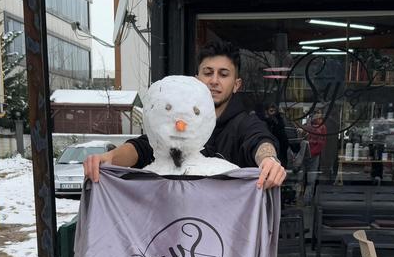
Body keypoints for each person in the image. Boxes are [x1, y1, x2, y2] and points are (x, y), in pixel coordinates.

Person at [83, 40, 286, 190]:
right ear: (196, 79)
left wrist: (269, 161)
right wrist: (110, 158)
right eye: (208, 73)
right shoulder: (177, 120)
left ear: (237, 84)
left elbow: (260, 141)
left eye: (224, 74)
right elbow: (145, 146)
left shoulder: (244, 123)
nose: (214, 81)